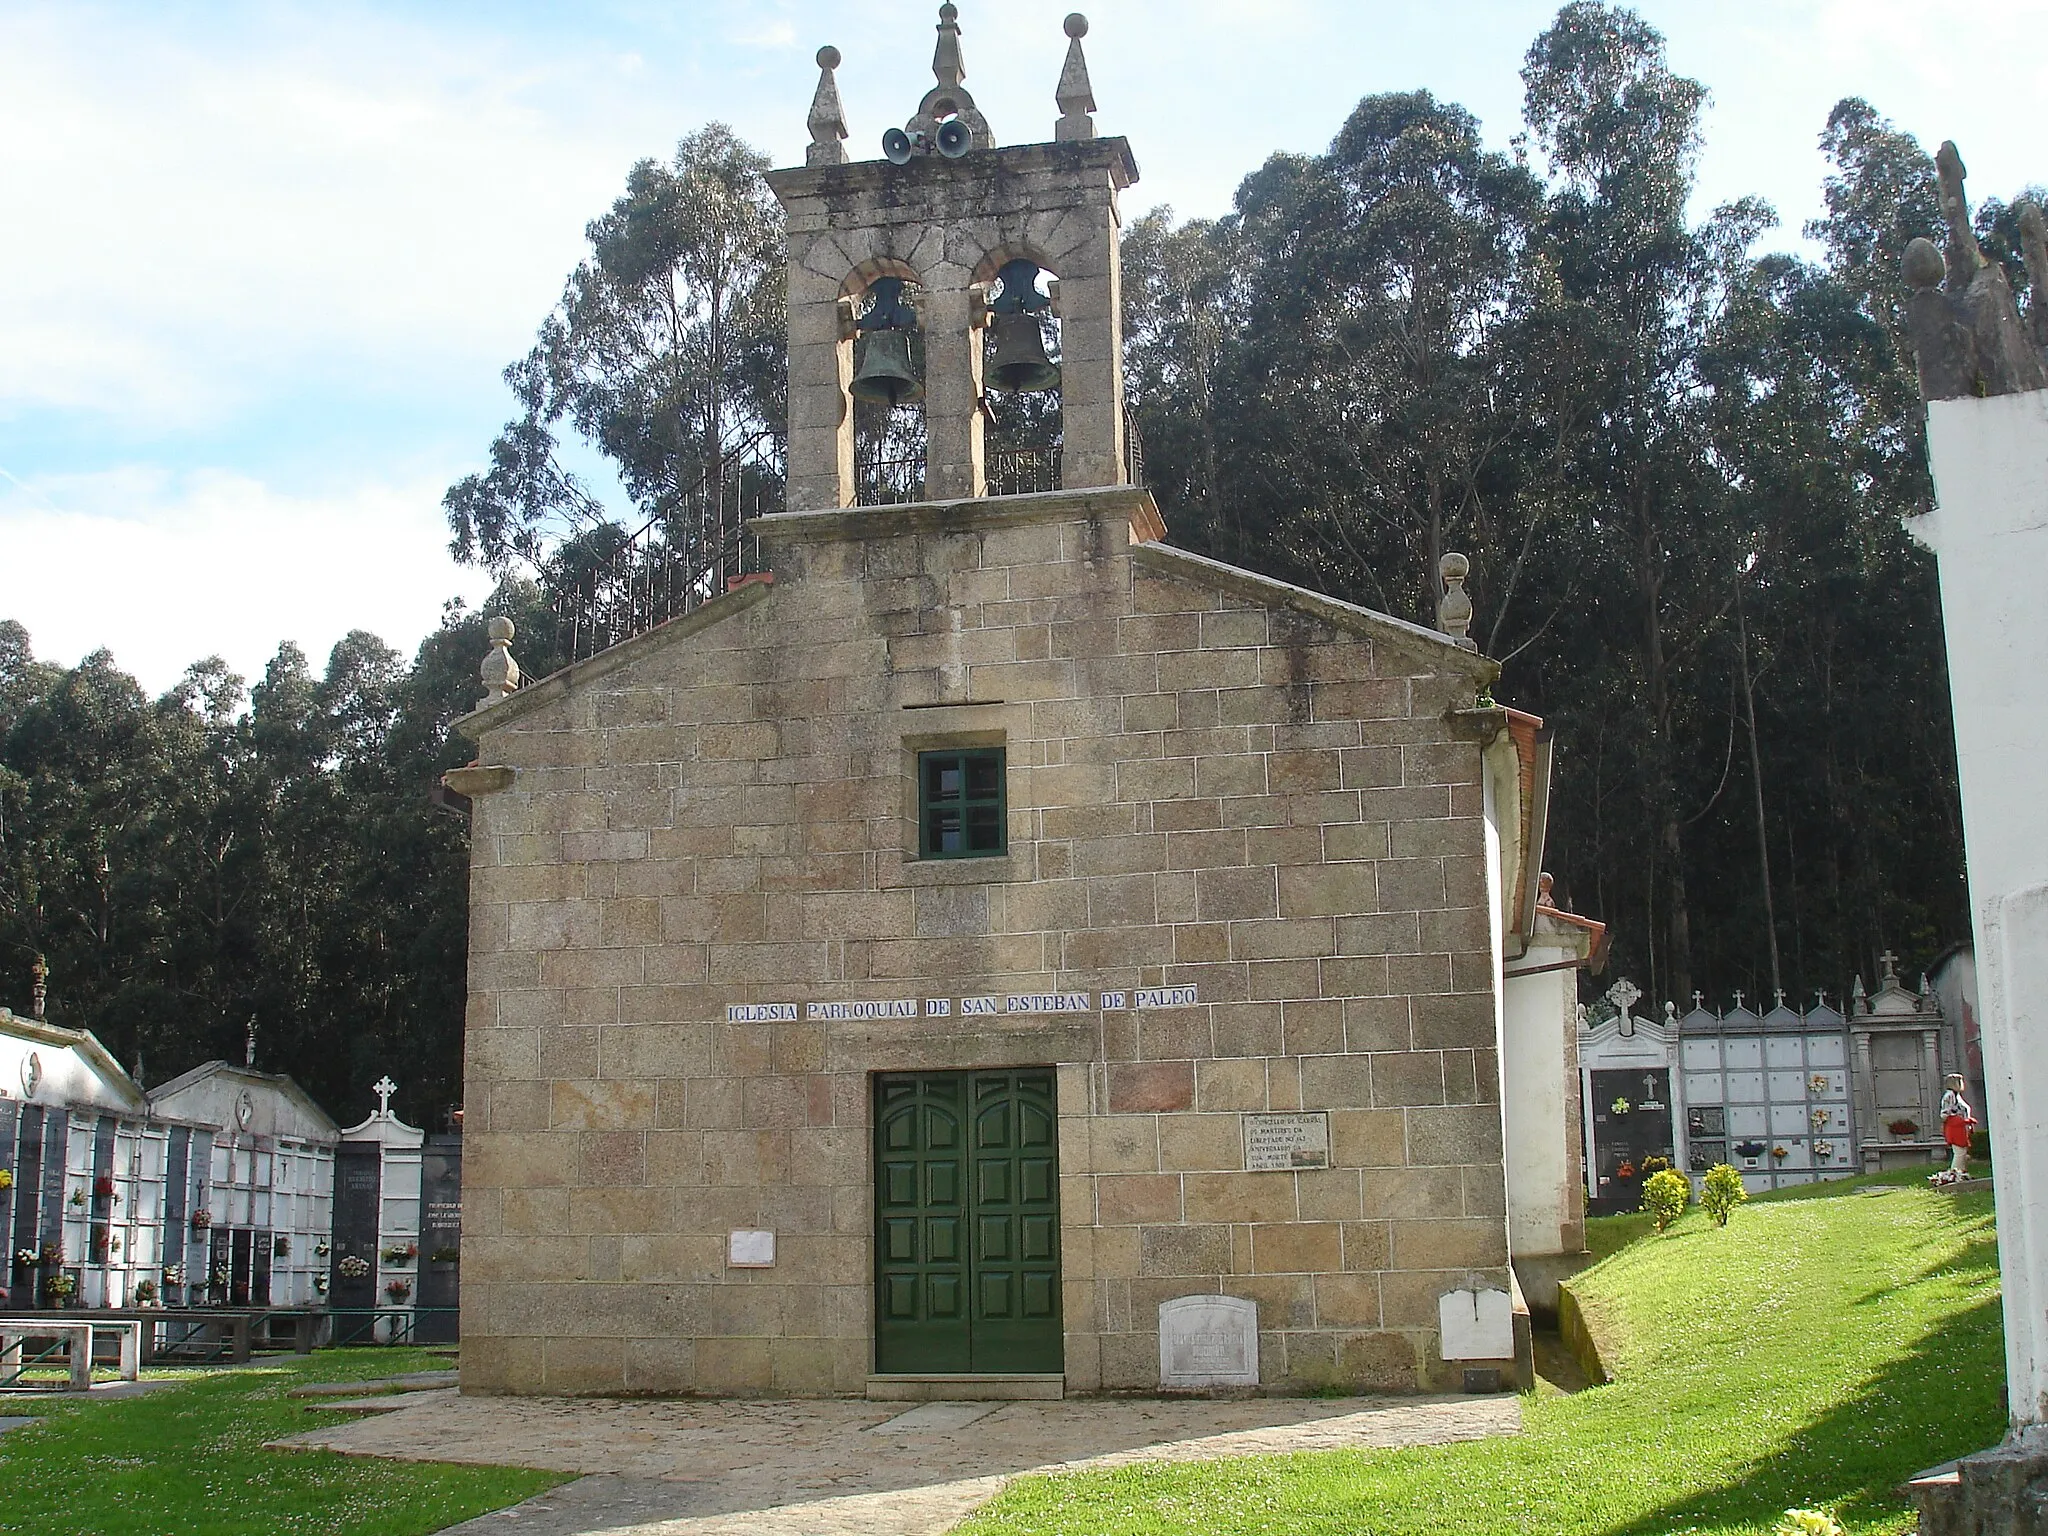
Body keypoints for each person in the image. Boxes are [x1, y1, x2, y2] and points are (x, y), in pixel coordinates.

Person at [1933, 1073, 1976, 1185]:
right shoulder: (1950, 1096)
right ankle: (1954, 1174)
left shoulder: (1956, 1095)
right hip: (1956, 1128)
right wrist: (1962, 1121)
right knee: (1959, 1152)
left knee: (1962, 1152)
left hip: (1961, 1127)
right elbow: (1946, 1113)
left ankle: (1961, 1173)